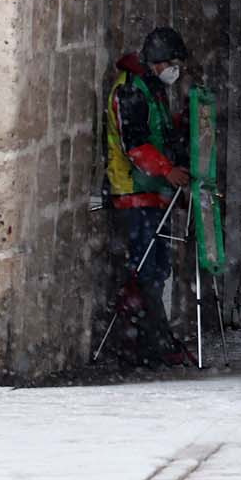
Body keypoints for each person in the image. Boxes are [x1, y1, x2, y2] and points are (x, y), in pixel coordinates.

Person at [104, 25, 193, 366]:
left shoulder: (150, 89)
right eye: (171, 62)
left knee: (157, 268)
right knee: (146, 271)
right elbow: (135, 144)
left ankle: (153, 340)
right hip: (133, 193)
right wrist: (166, 170)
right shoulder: (130, 92)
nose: (175, 69)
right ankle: (148, 343)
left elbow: (158, 131)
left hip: (152, 194)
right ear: (156, 61)